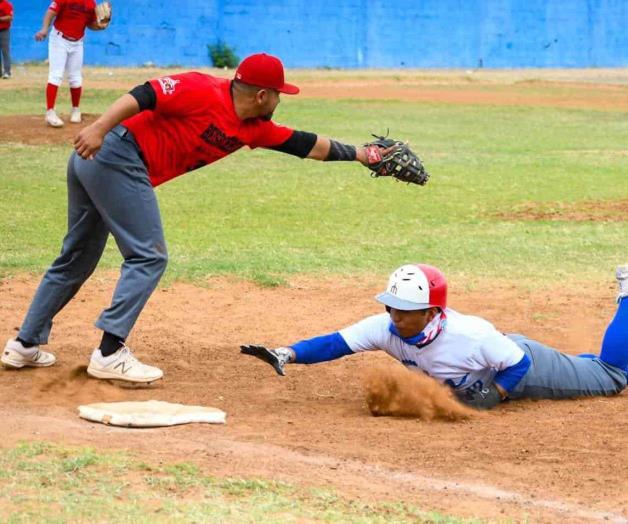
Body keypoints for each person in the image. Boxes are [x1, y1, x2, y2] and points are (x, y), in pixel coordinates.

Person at [1, 52, 395, 383]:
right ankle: (109, 352)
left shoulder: (253, 128)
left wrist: (365, 155)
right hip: (115, 153)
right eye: (279, 94)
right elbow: (144, 94)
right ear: (262, 95)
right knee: (148, 256)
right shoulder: (201, 88)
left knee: (76, 257)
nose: (281, 100)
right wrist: (100, 127)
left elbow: (305, 144)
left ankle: (24, 345)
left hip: (106, 162)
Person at [241, 263, 628, 409]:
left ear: (432, 312)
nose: (395, 316)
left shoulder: (468, 333)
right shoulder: (384, 327)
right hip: (495, 354)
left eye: (405, 311)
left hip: (520, 364)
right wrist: (287, 353)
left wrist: (499, 393)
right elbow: (334, 343)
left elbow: (519, 363)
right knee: (586, 366)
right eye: (391, 306)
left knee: (612, 376)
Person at [34, 0, 110, 127]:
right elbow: (50, 12)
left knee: (75, 77)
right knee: (56, 75)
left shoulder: (91, 3)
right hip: (59, 39)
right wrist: (44, 29)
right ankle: (50, 112)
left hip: (77, 42)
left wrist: (100, 26)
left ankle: (76, 110)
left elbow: (90, 24)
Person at [0, 0, 12, 79]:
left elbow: (10, 17)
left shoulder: (6, 4)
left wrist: (0, 19)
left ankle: (7, 72)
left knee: (5, 52)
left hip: (4, 31)